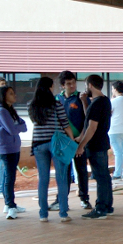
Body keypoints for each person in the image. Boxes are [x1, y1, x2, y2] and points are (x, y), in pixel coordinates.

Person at [29, 77, 75, 223]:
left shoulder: (32, 105)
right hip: (56, 144)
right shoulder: (56, 104)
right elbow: (65, 124)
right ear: (50, 87)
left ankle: (43, 214)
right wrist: (72, 140)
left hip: (38, 144)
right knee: (61, 178)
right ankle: (63, 213)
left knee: (43, 179)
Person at [76, 74, 114, 220]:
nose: (86, 88)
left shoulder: (97, 103)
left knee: (100, 176)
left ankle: (101, 208)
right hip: (102, 143)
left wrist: (81, 145)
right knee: (104, 176)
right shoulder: (103, 101)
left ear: (90, 85)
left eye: (86, 85)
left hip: (96, 144)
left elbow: (91, 127)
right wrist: (85, 102)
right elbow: (89, 119)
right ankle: (107, 206)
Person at [57, 71, 93, 210]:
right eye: (68, 84)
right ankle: (62, 199)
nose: (72, 86)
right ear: (62, 85)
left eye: (73, 83)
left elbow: (88, 120)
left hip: (78, 141)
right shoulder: (57, 99)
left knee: (81, 170)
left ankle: (84, 198)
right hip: (63, 142)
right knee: (64, 171)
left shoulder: (81, 97)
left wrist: (82, 137)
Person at [0, 84, 27, 219]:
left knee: (10, 176)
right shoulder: (1, 111)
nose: (15, 95)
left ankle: (10, 203)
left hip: (13, 147)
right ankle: (10, 205)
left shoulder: (9, 109)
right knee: (9, 176)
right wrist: (17, 127)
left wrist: (17, 126)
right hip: (7, 148)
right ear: (4, 95)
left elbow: (22, 125)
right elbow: (13, 129)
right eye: (11, 93)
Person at [109, 80, 123, 180]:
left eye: (112, 89)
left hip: (113, 129)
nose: (112, 90)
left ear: (115, 89)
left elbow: (108, 113)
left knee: (117, 152)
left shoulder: (113, 101)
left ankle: (117, 173)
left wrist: (111, 99)